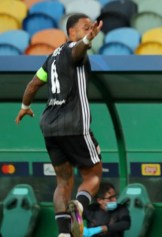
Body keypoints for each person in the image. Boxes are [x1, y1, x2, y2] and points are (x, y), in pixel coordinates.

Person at [15, 13, 104, 237]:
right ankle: (80, 205)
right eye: (85, 27)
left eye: (90, 27)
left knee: (63, 180)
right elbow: (76, 53)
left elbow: (34, 84)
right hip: (73, 123)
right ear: (71, 33)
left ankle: (63, 233)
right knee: (93, 174)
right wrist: (86, 41)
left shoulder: (51, 58)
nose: (89, 30)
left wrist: (25, 106)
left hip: (49, 125)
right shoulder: (75, 49)